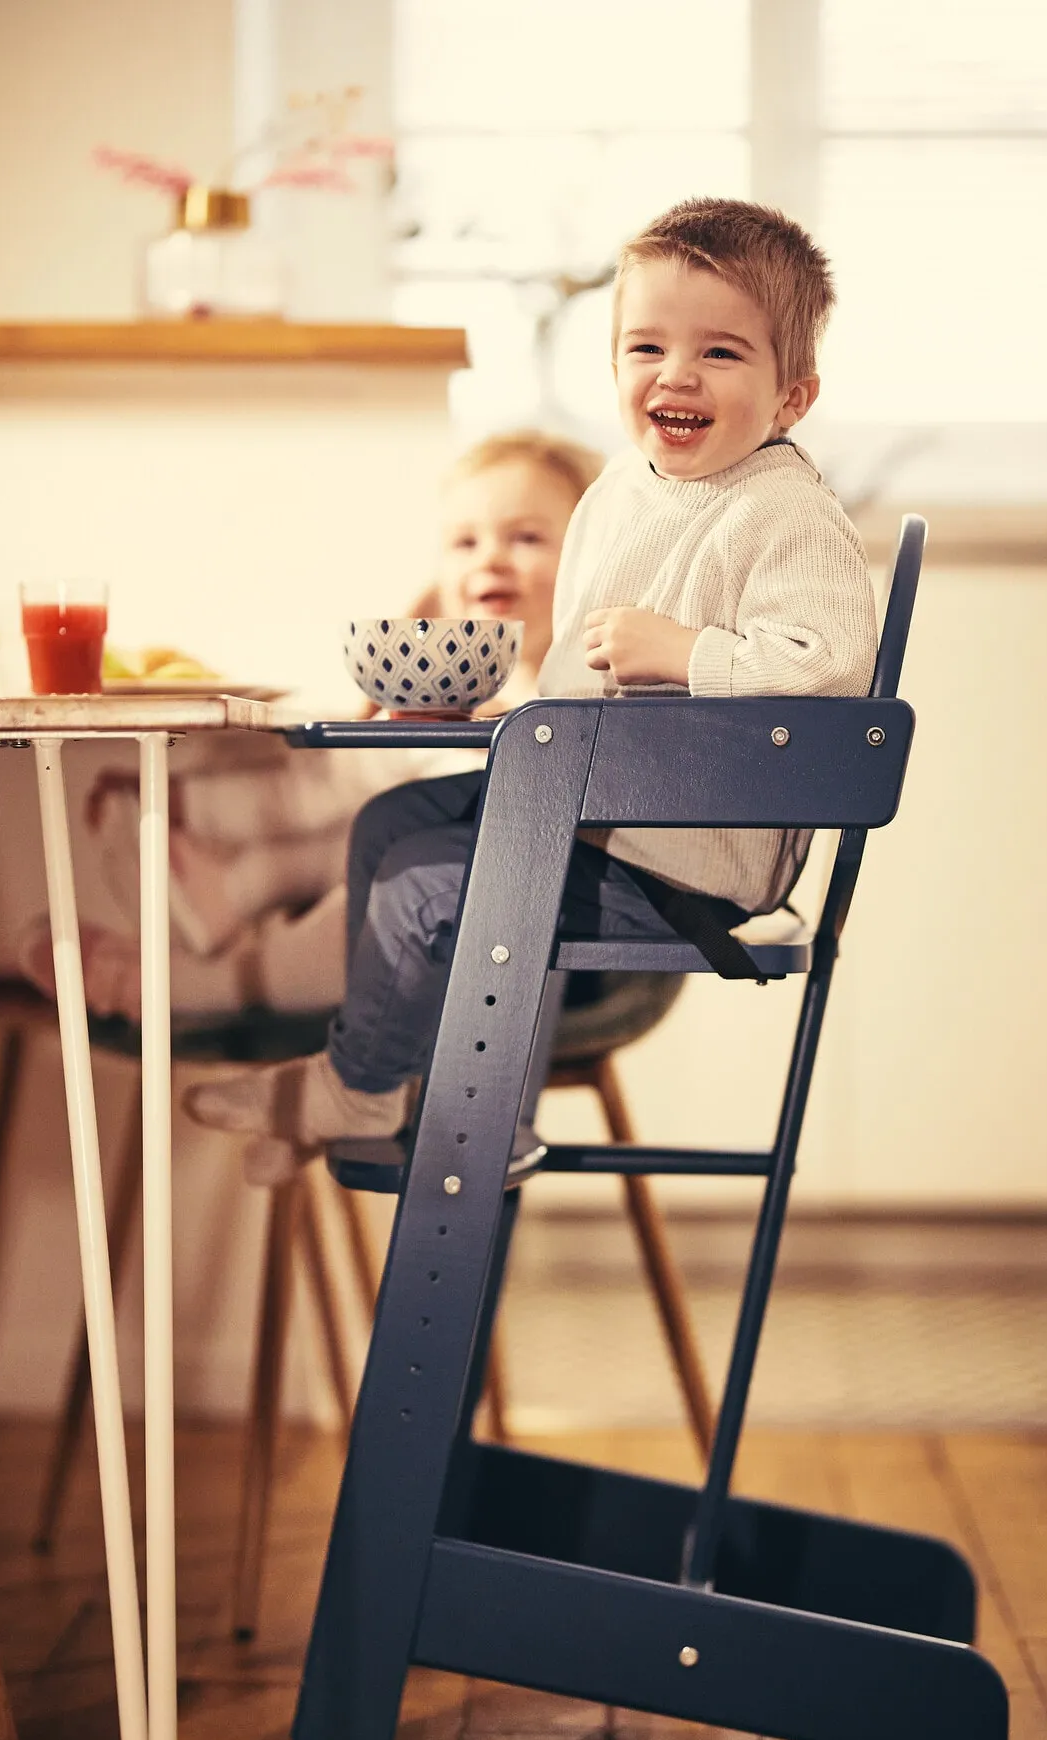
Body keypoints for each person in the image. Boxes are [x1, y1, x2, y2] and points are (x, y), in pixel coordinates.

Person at [184, 196, 880, 1185]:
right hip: (590, 819)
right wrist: (473, 712)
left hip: (683, 870)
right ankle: (372, 1080)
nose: (675, 374)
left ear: (790, 397)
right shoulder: (623, 496)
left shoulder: (786, 517)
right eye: (645, 347)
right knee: (389, 828)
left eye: (719, 354)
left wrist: (686, 652)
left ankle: (358, 1082)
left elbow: (828, 664)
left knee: (428, 882)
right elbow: (573, 698)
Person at [17, 431, 602, 1021]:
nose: (489, 559)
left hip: (536, 944)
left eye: (526, 537)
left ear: (588, 560)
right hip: (435, 898)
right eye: (463, 542)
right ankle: (235, 881)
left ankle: (189, 979)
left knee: (389, 865)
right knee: (371, 794)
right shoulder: (462, 683)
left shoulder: (578, 674)